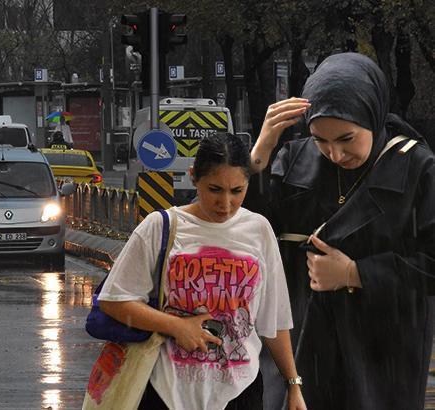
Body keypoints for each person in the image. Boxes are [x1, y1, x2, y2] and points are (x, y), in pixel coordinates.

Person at [246, 52, 435, 409]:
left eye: (347, 138)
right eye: (320, 139)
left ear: (374, 116)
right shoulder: (293, 159)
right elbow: (243, 236)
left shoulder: (417, 168)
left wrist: (355, 273)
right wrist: (259, 155)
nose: (335, 153)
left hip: (381, 348)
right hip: (298, 338)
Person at [97, 132, 306, 410]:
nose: (226, 204)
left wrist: (293, 385)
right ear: (194, 176)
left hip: (240, 392)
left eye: (237, 191)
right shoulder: (160, 227)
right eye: (215, 189)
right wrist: (176, 326)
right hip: (166, 390)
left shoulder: (258, 230)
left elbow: (275, 320)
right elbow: (113, 300)